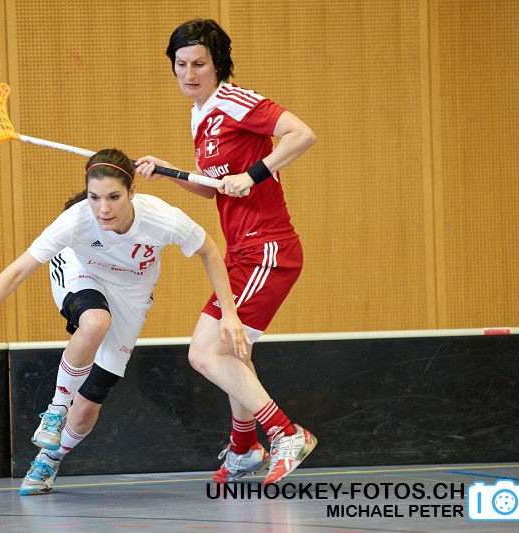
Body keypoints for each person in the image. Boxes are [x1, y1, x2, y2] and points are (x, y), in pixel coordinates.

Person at [0, 148, 247, 495]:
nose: (103, 209)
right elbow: (17, 272)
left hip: (132, 295)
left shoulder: (162, 219)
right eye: (94, 197)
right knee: (94, 323)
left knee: (89, 403)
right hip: (82, 272)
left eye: (114, 197)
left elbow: (209, 250)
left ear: (132, 192)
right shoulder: (76, 221)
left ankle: (51, 457)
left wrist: (229, 312)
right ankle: (56, 408)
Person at [136, 18, 318, 486]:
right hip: (242, 251)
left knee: (203, 355)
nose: (190, 72)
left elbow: (302, 135)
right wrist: (170, 171)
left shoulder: (235, 101)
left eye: (200, 63)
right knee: (231, 354)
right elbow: (214, 190)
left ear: (218, 66)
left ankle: (285, 433)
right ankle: (244, 448)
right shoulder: (199, 115)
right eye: (181, 64)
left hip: (267, 248)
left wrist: (255, 174)